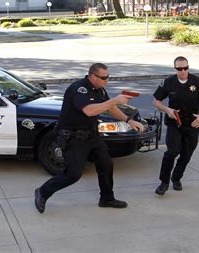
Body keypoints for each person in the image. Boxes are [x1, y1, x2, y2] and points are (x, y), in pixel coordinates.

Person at [34, 63, 145, 213]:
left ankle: (106, 198)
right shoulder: (79, 89)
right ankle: (43, 192)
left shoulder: (99, 89)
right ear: (92, 76)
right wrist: (114, 100)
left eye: (108, 77)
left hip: (92, 135)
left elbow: (110, 108)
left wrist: (129, 121)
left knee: (105, 164)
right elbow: (89, 111)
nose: (107, 80)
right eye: (104, 77)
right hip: (73, 137)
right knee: (72, 174)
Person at [153, 56, 199, 195]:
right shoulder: (168, 83)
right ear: (175, 68)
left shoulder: (198, 82)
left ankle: (176, 178)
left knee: (187, 154)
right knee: (172, 152)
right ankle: (164, 182)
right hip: (175, 122)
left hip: (193, 123)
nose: (183, 71)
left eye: (185, 68)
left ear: (188, 67)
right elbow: (156, 101)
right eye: (179, 68)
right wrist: (167, 110)